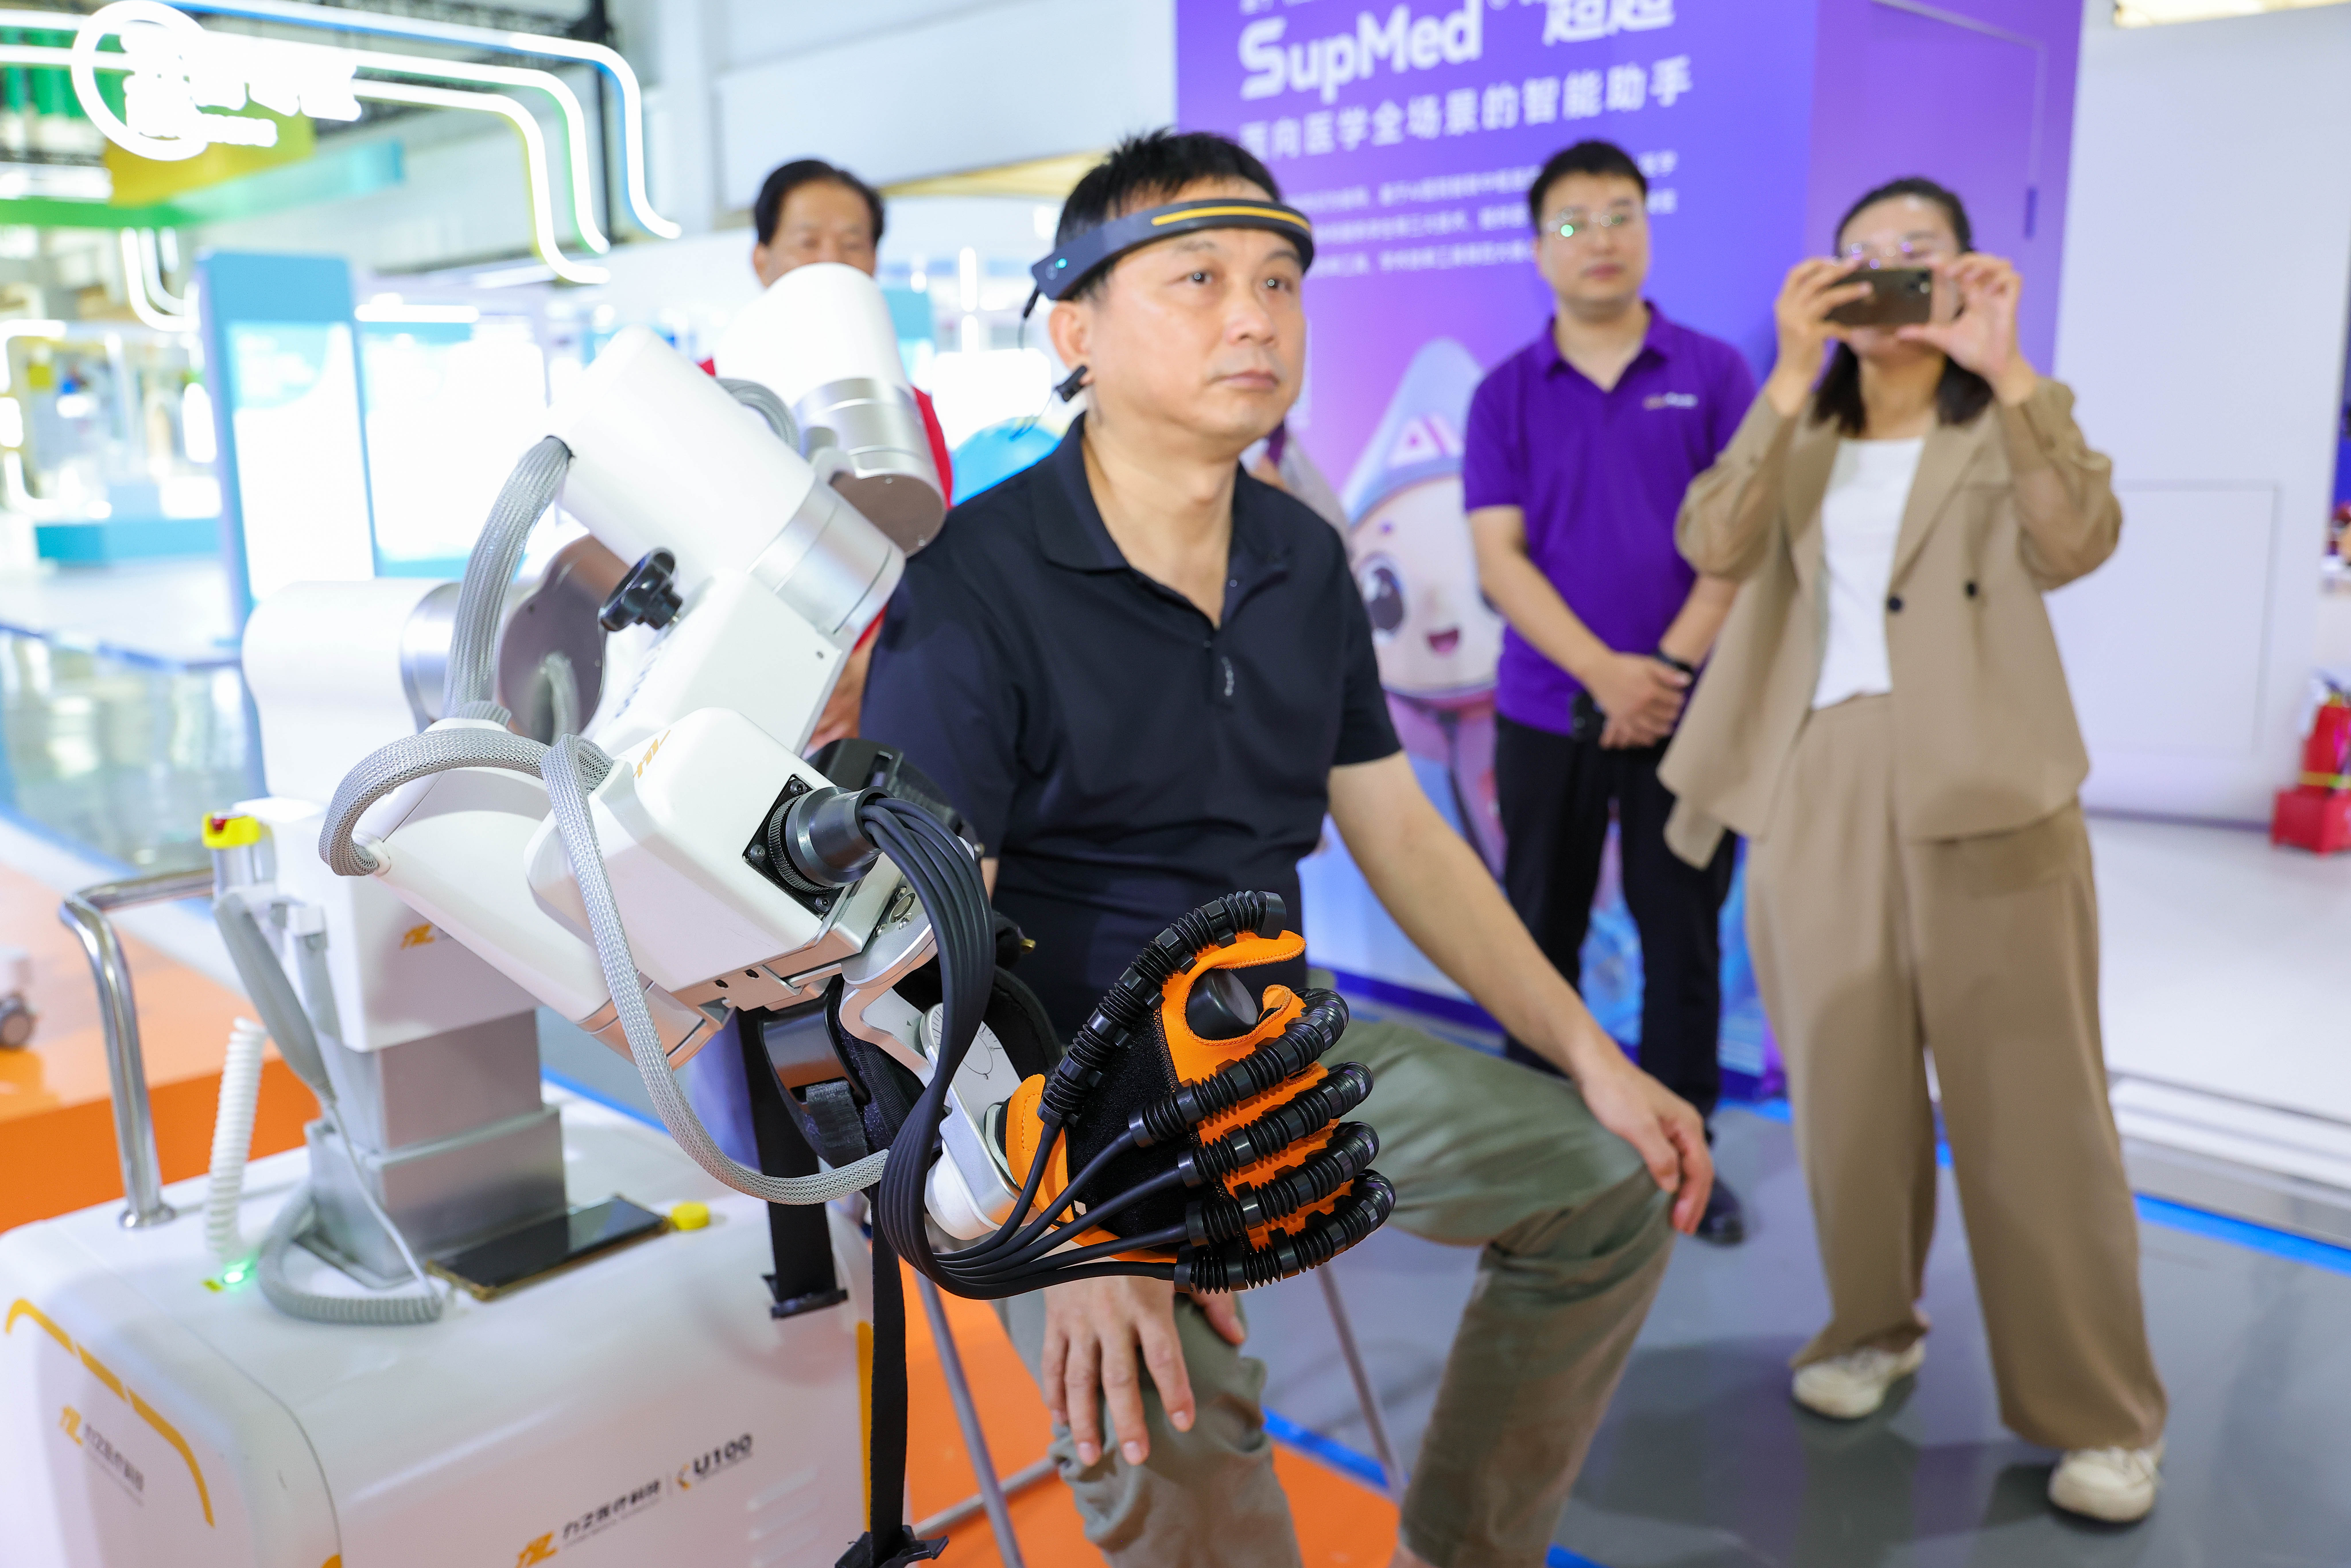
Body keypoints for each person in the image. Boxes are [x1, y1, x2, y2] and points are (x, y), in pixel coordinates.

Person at [862, 130, 1713, 1568]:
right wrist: (1070, 1225)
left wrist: (1591, 1053)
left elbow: (1401, 832)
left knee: (1613, 1188)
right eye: (1196, 278)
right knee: (1158, 1420)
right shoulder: (971, 585)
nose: (1253, 314)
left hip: (1266, 1052)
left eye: (1278, 281)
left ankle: (1460, 1547)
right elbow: (923, 956)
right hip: (1045, 1109)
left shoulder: (1304, 558)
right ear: (1074, 328)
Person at [1657, 176, 2168, 1523]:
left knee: (2037, 1116)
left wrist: (2012, 373)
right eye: (1861, 258)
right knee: (1846, 1099)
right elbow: (1707, 540)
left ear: (1965, 277)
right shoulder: (1802, 427)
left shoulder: (2000, 418)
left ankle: (2103, 1410)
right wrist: (1782, 374)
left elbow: (2081, 539)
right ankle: (1871, 1327)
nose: (1886, 277)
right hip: (1819, 780)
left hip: (1991, 787)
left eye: (1916, 256)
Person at [1463, 140, 1754, 1244]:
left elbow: (1739, 544)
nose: (1600, 238)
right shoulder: (1505, 394)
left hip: (1688, 714)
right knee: (1536, 930)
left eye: (1621, 214)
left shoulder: (1713, 372)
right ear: (1539, 247)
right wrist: (1604, 674)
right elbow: (1500, 561)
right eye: (1574, 221)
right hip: (1549, 711)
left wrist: (1663, 675)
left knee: (1683, 933)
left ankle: (1689, 1157)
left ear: (1647, 228)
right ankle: (1533, 1148)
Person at [732, 157, 955, 749]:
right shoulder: (712, 389)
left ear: (874, 262)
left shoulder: (908, 408)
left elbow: (927, 553)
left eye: (852, 245)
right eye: (807, 242)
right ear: (763, 259)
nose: (830, 260)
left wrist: (868, 666)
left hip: (863, 700)